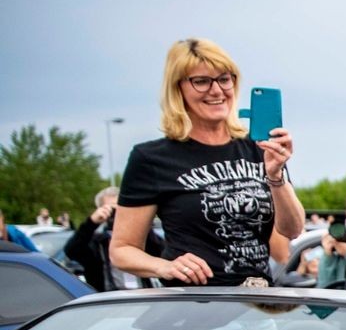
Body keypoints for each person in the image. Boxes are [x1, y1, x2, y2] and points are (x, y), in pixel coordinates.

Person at [110, 38, 305, 285]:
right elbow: (122, 249)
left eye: (224, 79)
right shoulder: (151, 159)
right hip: (195, 307)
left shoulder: (259, 149)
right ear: (178, 89)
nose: (216, 90)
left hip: (256, 304)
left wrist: (276, 177)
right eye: (201, 81)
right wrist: (165, 266)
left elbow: (293, 230)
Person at [65, 186, 165, 291]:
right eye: (112, 209)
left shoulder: (137, 238)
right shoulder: (97, 242)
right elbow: (71, 250)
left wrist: (139, 222)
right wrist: (91, 223)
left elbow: (161, 251)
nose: (117, 213)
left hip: (142, 296)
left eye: (121, 208)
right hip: (109, 300)